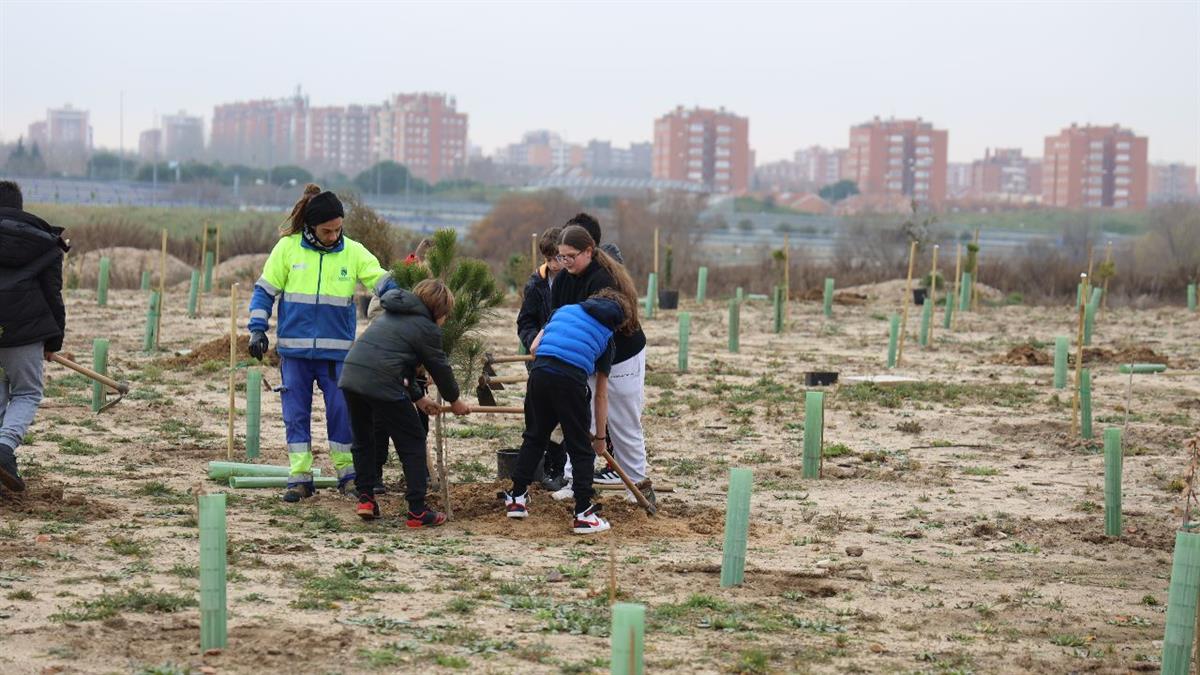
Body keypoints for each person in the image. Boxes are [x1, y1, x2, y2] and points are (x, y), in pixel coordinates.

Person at [247, 184, 395, 503]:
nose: (334, 236)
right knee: (295, 415)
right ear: (312, 228)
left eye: (338, 229)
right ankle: (300, 477)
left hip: (337, 354)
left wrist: (396, 292)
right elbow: (264, 291)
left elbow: (379, 278)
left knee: (342, 414)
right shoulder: (287, 249)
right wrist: (257, 329)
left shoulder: (353, 251)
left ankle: (348, 475)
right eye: (327, 231)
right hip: (294, 354)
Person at [501, 288, 634, 534]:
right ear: (618, 321)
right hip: (570, 382)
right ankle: (584, 513)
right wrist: (601, 438)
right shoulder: (607, 337)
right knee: (580, 447)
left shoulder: (563, 311)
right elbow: (601, 393)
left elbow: (534, 348)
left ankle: (517, 498)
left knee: (535, 437)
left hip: (540, 375)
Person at [340, 279, 470, 526]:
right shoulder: (426, 328)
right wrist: (455, 401)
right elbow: (440, 368)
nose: (445, 320)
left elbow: (399, 365)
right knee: (412, 441)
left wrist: (418, 399)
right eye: (446, 315)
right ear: (438, 310)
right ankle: (417, 510)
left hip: (352, 376)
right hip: (382, 382)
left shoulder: (391, 316)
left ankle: (366, 499)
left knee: (363, 438)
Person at [549, 217, 653, 506]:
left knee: (622, 420)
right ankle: (575, 481)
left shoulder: (606, 278)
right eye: (561, 256)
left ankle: (636, 483)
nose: (565, 262)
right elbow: (557, 317)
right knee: (578, 418)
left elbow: (604, 322)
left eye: (571, 256)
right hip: (583, 357)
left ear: (589, 251)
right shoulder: (562, 282)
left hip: (620, 356)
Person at [0, 181, 67, 493]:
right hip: (25, 331)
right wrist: (53, 341)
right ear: (20, 207)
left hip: (20, 330)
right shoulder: (44, 244)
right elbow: (53, 295)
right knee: (26, 393)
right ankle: (4, 448)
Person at [515, 226, 567, 490]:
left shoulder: (574, 281)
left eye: (558, 258)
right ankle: (541, 466)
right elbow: (524, 321)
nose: (554, 265)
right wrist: (534, 339)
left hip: (567, 356)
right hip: (539, 358)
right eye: (548, 260)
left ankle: (559, 468)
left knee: (563, 414)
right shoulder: (536, 283)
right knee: (536, 414)